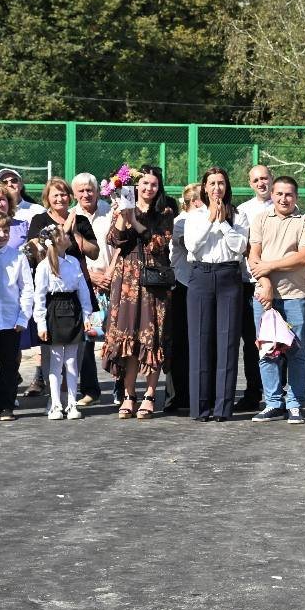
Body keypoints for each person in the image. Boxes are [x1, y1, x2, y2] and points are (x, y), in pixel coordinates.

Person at [102, 166, 174, 420]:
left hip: (154, 282)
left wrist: (135, 221)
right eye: (144, 184)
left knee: (150, 338)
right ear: (136, 185)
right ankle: (129, 395)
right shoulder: (123, 207)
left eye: (153, 184)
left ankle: (150, 395)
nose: (148, 188)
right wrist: (123, 214)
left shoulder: (164, 212)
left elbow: (158, 244)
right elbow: (114, 239)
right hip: (126, 282)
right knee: (128, 339)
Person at [180, 168, 247, 423]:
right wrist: (210, 219)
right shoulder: (194, 216)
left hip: (229, 275)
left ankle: (223, 407)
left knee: (228, 342)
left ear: (226, 186)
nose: (216, 188)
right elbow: (193, 245)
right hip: (201, 275)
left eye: (221, 183)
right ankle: (200, 407)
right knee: (200, 340)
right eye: (211, 183)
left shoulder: (238, 215)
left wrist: (223, 222)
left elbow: (240, 247)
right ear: (204, 188)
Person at [248, 175, 305, 424]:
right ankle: (273, 403)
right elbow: (253, 255)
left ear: (296, 197)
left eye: (288, 194)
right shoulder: (260, 219)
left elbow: (303, 257)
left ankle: (295, 404)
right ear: (272, 195)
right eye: (279, 194)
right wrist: (264, 282)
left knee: (296, 352)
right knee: (267, 351)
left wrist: (268, 266)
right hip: (264, 296)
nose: (283, 198)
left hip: (295, 297)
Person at [31, 225, 94, 420]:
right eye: (65, 234)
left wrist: (87, 316)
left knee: (72, 361)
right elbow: (39, 296)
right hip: (54, 310)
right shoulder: (44, 266)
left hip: (72, 308)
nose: (68, 236)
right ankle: (56, 405)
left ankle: (72, 404)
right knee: (56, 361)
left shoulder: (73, 261)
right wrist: (41, 323)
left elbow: (83, 289)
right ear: (57, 241)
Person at [0, 212, 32, 421]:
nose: (2, 235)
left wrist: (23, 318)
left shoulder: (18, 257)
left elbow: (27, 289)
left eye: (6, 230)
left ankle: (6, 405)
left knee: (9, 366)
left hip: (11, 321)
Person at [233, 163, 273, 412]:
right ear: (250, 183)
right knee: (251, 342)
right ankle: (252, 391)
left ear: (272, 179)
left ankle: (276, 392)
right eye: (256, 179)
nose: (261, 183)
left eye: (265, 178)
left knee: (278, 340)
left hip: (278, 284)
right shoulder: (243, 210)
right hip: (249, 284)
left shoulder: (286, 205)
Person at [72, 172, 113, 406]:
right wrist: (93, 277)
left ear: (97, 191)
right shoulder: (71, 216)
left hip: (113, 280)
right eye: (81, 190)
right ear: (74, 194)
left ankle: (121, 389)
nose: (86, 194)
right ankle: (90, 390)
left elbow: (121, 244)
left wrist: (109, 274)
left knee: (117, 337)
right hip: (87, 284)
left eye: (90, 189)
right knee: (88, 338)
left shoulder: (111, 211)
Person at [166, 183, 201, 414]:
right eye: (201, 200)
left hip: (201, 285)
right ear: (191, 203)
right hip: (181, 285)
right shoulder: (180, 222)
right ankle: (177, 396)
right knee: (179, 343)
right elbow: (191, 246)